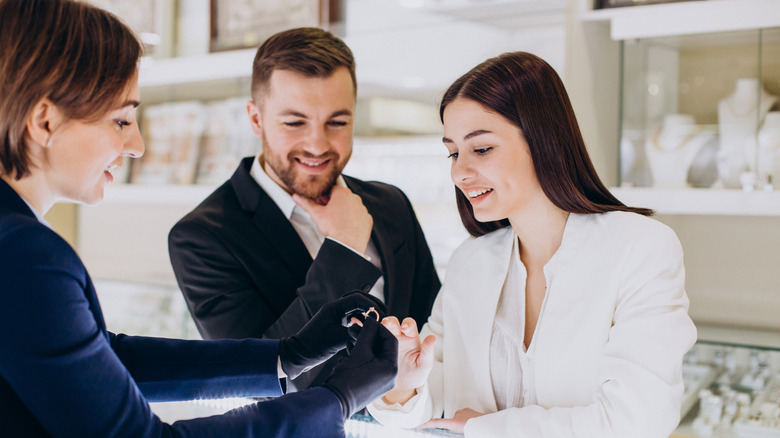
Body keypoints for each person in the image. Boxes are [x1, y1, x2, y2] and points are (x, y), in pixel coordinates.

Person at [0, 1, 396, 436]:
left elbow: (103, 360)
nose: (137, 145)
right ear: (44, 120)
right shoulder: (24, 253)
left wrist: (290, 353)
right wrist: (335, 400)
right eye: (121, 120)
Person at [367, 52, 697, 437]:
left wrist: (484, 427)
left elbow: (636, 421)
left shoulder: (640, 247)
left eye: (482, 149)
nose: (459, 171)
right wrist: (404, 384)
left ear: (543, 140)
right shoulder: (470, 261)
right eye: (453, 152)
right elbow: (428, 403)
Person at [168, 27, 441, 390]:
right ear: (255, 119)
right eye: (295, 122)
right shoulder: (201, 237)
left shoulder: (391, 203)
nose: (317, 144)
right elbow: (259, 377)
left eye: (337, 122)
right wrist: (344, 248)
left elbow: (436, 328)